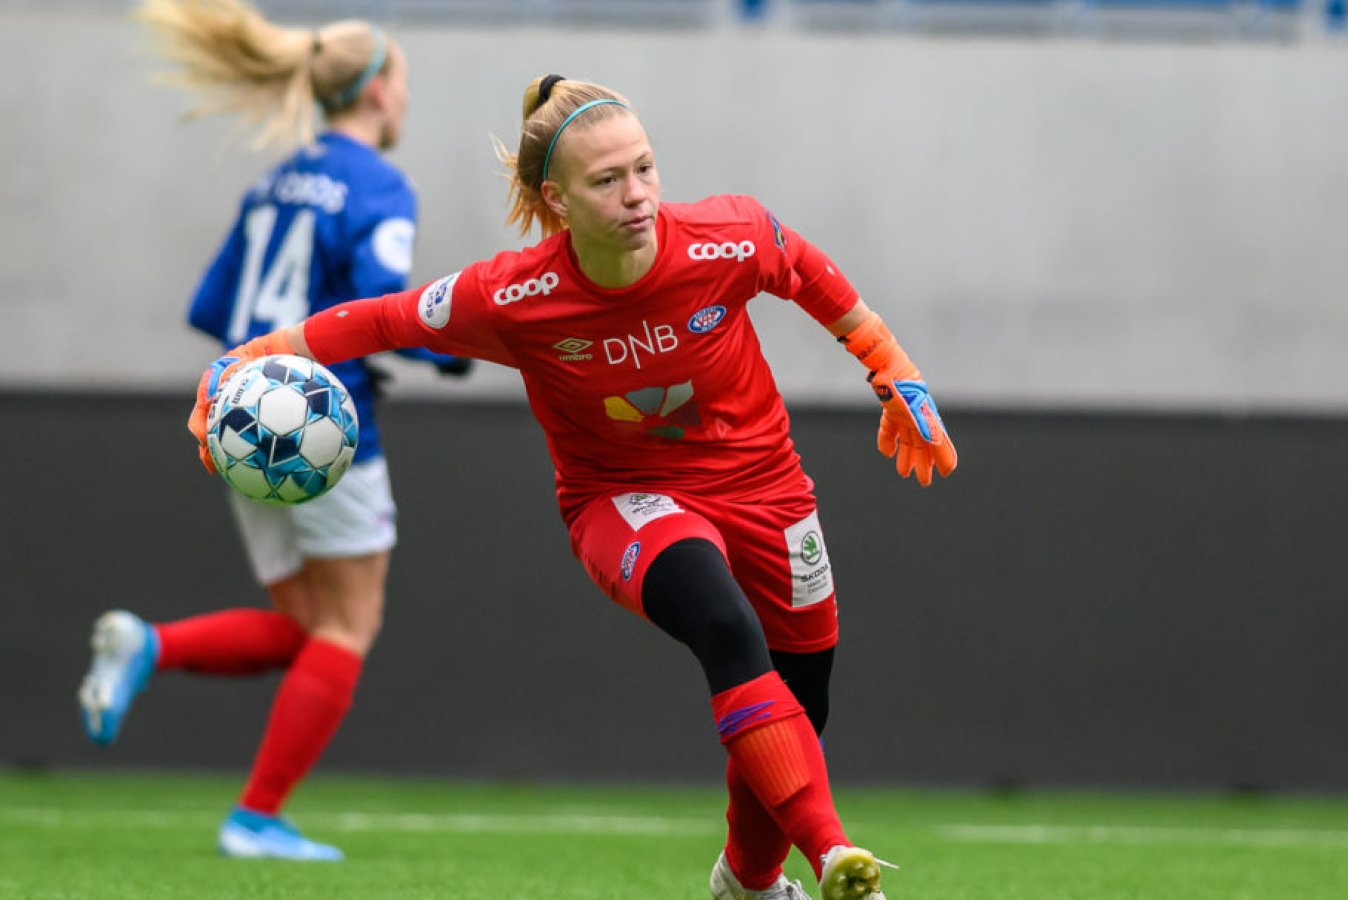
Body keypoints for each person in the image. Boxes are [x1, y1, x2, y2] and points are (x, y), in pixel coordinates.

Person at [183, 75, 956, 898]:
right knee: (726, 625)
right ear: (556, 198)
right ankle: (836, 857)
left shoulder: (726, 236)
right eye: (608, 180)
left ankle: (748, 881)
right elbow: (383, 318)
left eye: (645, 169)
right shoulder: (513, 294)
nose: (638, 196)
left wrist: (893, 370)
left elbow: (803, 268)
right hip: (624, 501)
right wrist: (256, 354)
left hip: (768, 488)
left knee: (803, 699)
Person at [76, 0, 470, 861]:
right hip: (327, 427)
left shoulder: (274, 181)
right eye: (402, 78)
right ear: (375, 91)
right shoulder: (377, 185)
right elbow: (383, 305)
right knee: (349, 626)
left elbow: (211, 307)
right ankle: (255, 818)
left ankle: (150, 645)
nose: (407, 96)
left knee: (303, 626)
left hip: (234, 419)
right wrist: (453, 349)